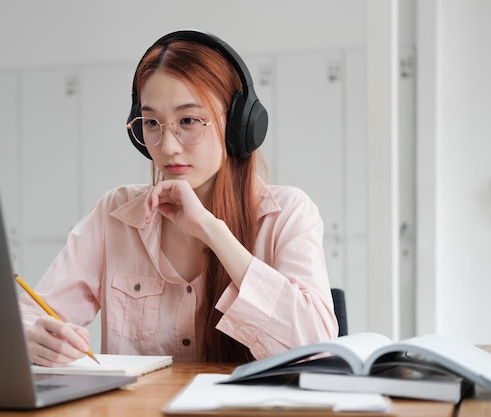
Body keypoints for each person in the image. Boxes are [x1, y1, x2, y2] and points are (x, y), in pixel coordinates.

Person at [19, 30, 338, 366]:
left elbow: (315, 350)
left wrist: (212, 231)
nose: (168, 147)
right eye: (152, 123)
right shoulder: (113, 215)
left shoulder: (287, 214)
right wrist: (31, 339)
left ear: (238, 124)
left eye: (188, 120)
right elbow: (29, 318)